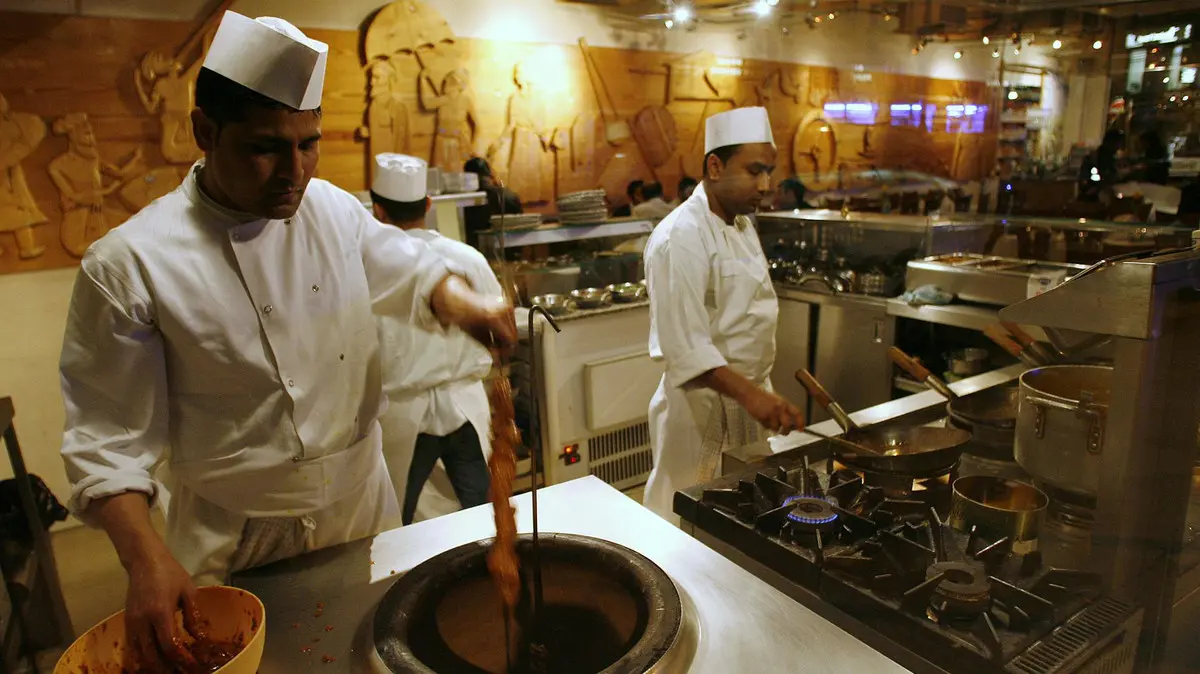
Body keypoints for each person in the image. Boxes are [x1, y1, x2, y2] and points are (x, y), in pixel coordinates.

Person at [57, 13, 516, 668]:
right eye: (264, 147)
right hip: (235, 531)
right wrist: (144, 558)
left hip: (360, 507)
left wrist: (468, 305)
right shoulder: (131, 263)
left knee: (374, 656)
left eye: (308, 144)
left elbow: (405, 266)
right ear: (205, 133)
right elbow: (107, 441)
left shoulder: (329, 209)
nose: (293, 172)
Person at [641, 107, 803, 524]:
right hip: (700, 410)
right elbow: (685, 348)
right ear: (715, 166)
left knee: (742, 521)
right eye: (754, 171)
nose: (765, 185)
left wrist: (759, 393)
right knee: (684, 518)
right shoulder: (680, 236)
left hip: (748, 402)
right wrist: (752, 395)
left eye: (769, 172)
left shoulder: (743, 226)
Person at [369, 153, 499, 524]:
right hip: (465, 404)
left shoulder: (374, 269)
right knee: (482, 516)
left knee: (398, 521)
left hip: (401, 412)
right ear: (428, 205)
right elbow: (494, 324)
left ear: (377, 212)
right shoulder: (468, 258)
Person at [463, 156, 522, 249]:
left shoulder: (467, 200)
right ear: (490, 174)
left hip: (478, 250)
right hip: (512, 248)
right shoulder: (508, 194)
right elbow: (521, 222)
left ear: (467, 176)